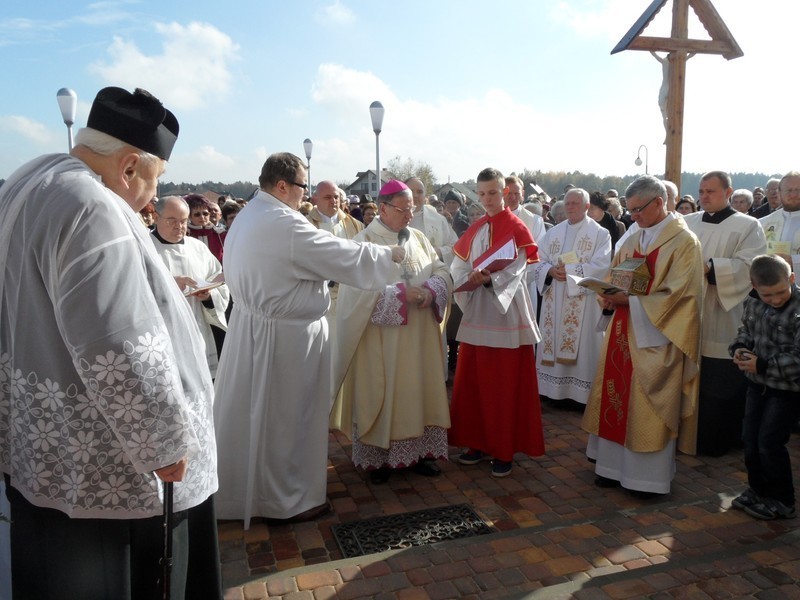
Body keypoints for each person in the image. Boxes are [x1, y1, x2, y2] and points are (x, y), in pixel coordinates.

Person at [0, 87, 221, 598]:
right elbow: (116, 340)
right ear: (128, 167)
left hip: (45, 451)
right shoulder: (92, 206)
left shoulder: (29, 180)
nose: (150, 195)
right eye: (155, 179)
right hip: (113, 477)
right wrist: (164, 441)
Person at [213, 153, 405, 527]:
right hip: (287, 339)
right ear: (282, 185)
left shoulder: (250, 215)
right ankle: (290, 500)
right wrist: (391, 255)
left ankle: (251, 491)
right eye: (303, 186)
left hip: (253, 330)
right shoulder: (284, 224)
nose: (305, 196)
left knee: (260, 416)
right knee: (292, 419)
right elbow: (339, 253)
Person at [582, 175, 704, 497]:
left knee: (645, 403)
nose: (632, 217)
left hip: (656, 335)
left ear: (659, 203)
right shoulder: (635, 238)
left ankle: (645, 480)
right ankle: (609, 467)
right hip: (623, 327)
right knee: (614, 392)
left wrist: (631, 302)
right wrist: (606, 297)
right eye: (629, 210)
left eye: (637, 210)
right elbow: (615, 276)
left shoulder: (684, 243)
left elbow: (682, 297)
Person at [331, 181, 452, 484]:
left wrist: (431, 289)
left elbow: (441, 270)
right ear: (383, 208)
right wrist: (400, 295)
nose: (410, 215)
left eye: (413, 208)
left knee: (418, 391)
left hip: (420, 337)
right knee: (384, 393)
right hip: (382, 343)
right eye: (403, 209)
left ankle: (420, 452)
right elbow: (352, 295)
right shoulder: (364, 242)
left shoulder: (420, 238)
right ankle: (380, 458)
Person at [448, 168, 544, 478]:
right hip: (478, 312)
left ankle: (503, 448)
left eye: (493, 193)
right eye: (482, 194)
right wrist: (467, 279)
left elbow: (517, 270)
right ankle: (476, 443)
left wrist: (491, 279)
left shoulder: (516, 226)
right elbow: (458, 264)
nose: (487, 199)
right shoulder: (475, 228)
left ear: (503, 193)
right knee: (474, 381)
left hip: (506, 315)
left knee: (502, 384)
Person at [684, 171, 766, 456]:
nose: (704, 196)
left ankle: (718, 439)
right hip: (689, 309)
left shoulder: (747, 225)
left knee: (719, 380)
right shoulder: (687, 222)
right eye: (701, 191)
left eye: (711, 191)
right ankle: (686, 436)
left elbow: (749, 265)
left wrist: (711, 268)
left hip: (723, 310)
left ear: (728, 192)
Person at [730, 255, 800, 520]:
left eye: (781, 292)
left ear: (791, 278)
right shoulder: (753, 301)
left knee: (769, 442)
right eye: (767, 294)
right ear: (754, 286)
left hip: (787, 390)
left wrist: (762, 364)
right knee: (750, 439)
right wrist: (739, 349)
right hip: (756, 384)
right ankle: (758, 490)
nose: (776, 299)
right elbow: (745, 331)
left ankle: (782, 499)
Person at [534, 188, 611, 407]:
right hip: (555, 298)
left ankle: (580, 397)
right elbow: (537, 260)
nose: (570, 207)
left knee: (584, 346)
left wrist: (567, 272)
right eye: (567, 203)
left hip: (583, 300)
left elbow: (601, 266)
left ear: (587, 206)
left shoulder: (600, 234)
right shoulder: (553, 233)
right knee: (554, 338)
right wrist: (549, 271)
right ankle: (551, 392)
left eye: (575, 203)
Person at [151, 195, 229, 378]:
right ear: (156, 218)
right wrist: (170, 285)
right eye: (172, 221)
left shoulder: (197, 248)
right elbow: (133, 291)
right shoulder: (144, 248)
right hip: (163, 336)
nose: (179, 226)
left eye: (183, 221)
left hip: (198, 329)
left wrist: (209, 296)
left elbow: (218, 282)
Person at [406, 177, 458, 265]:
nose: (415, 195)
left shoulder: (438, 219)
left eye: (419, 192)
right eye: (411, 191)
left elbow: (455, 246)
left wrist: (439, 251)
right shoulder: (393, 218)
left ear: (425, 195)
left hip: (432, 271)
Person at [758, 172, 800, 273]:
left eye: (798, 189)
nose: (794, 195)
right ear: (780, 193)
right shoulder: (763, 223)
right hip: (770, 282)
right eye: (789, 190)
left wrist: (795, 261)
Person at [185, 193, 226, 264]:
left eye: (205, 214)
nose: (202, 217)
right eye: (197, 214)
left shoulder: (220, 234)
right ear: (190, 216)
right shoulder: (185, 235)